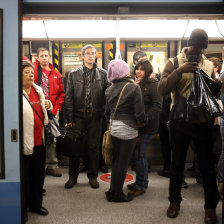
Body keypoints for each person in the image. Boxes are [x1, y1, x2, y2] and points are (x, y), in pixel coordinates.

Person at [158, 28, 220, 224]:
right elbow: (161, 89)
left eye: (203, 47)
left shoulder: (209, 64)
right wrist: (179, 72)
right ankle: (174, 201)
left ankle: (210, 207)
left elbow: (210, 95)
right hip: (180, 120)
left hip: (202, 121)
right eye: (197, 46)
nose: (200, 51)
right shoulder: (174, 62)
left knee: (207, 166)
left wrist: (216, 86)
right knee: (177, 165)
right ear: (189, 44)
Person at [65, 45, 110, 189]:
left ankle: (93, 176)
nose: (91, 56)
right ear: (82, 56)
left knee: (94, 147)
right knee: (75, 148)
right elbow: (69, 97)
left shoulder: (103, 74)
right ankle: (73, 177)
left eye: (93, 53)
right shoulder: (73, 74)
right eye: (88, 54)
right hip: (78, 116)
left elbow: (108, 95)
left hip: (96, 116)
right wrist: (69, 119)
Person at [105, 59, 145, 202]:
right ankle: (117, 195)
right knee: (123, 162)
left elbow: (106, 112)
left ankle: (111, 191)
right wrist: (143, 122)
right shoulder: (134, 87)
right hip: (128, 129)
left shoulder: (109, 89)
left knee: (117, 161)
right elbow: (139, 113)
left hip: (114, 127)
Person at [127, 59, 162, 197]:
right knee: (138, 154)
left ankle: (140, 185)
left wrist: (145, 120)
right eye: (137, 68)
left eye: (141, 69)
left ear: (147, 71)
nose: (138, 71)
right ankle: (142, 181)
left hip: (148, 126)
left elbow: (157, 106)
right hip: (139, 126)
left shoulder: (153, 85)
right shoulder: (138, 84)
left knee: (140, 154)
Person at [23, 60, 51, 219]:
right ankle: (23, 207)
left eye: (32, 72)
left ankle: (36, 205)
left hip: (39, 141)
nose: (31, 75)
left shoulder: (37, 89)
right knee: (25, 177)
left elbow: (46, 106)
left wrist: (48, 104)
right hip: (24, 143)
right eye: (27, 72)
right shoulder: (16, 93)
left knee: (38, 175)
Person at [34, 48, 65, 177]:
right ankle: (38, 165)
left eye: (46, 56)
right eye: (42, 56)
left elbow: (61, 94)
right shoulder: (33, 72)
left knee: (52, 136)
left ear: (50, 57)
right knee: (37, 136)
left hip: (52, 111)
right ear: (38, 58)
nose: (44, 58)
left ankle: (52, 165)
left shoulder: (56, 75)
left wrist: (56, 108)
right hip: (36, 110)